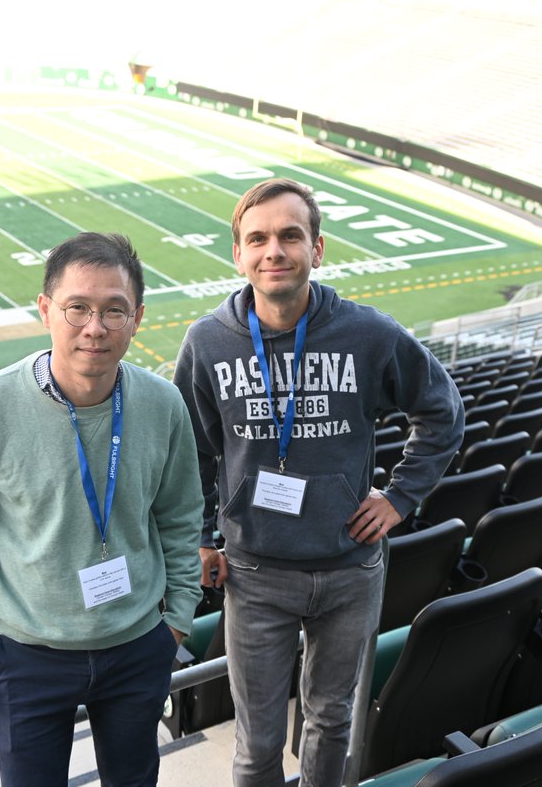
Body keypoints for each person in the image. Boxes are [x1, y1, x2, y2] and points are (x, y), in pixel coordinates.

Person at [173, 178, 465, 786]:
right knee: (257, 745)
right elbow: (193, 452)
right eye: (257, 239)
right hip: (255, 574)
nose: (273, 251)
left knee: (330, 726)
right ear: (238, 255)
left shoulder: (368, 334)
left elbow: (442, 410)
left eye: (289, 235)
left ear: (318, 248)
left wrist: (400, 496)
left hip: (349, 569)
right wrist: (202, 536)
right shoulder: (207, 343)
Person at [0, 231, 204, 786]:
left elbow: (180, 517)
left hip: (136, 646)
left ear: (138, 318)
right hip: (25, 656)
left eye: (114, 310)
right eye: (76, 307)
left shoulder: (162, 403)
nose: (94, 327)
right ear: (45, 310)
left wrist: (175, 620)